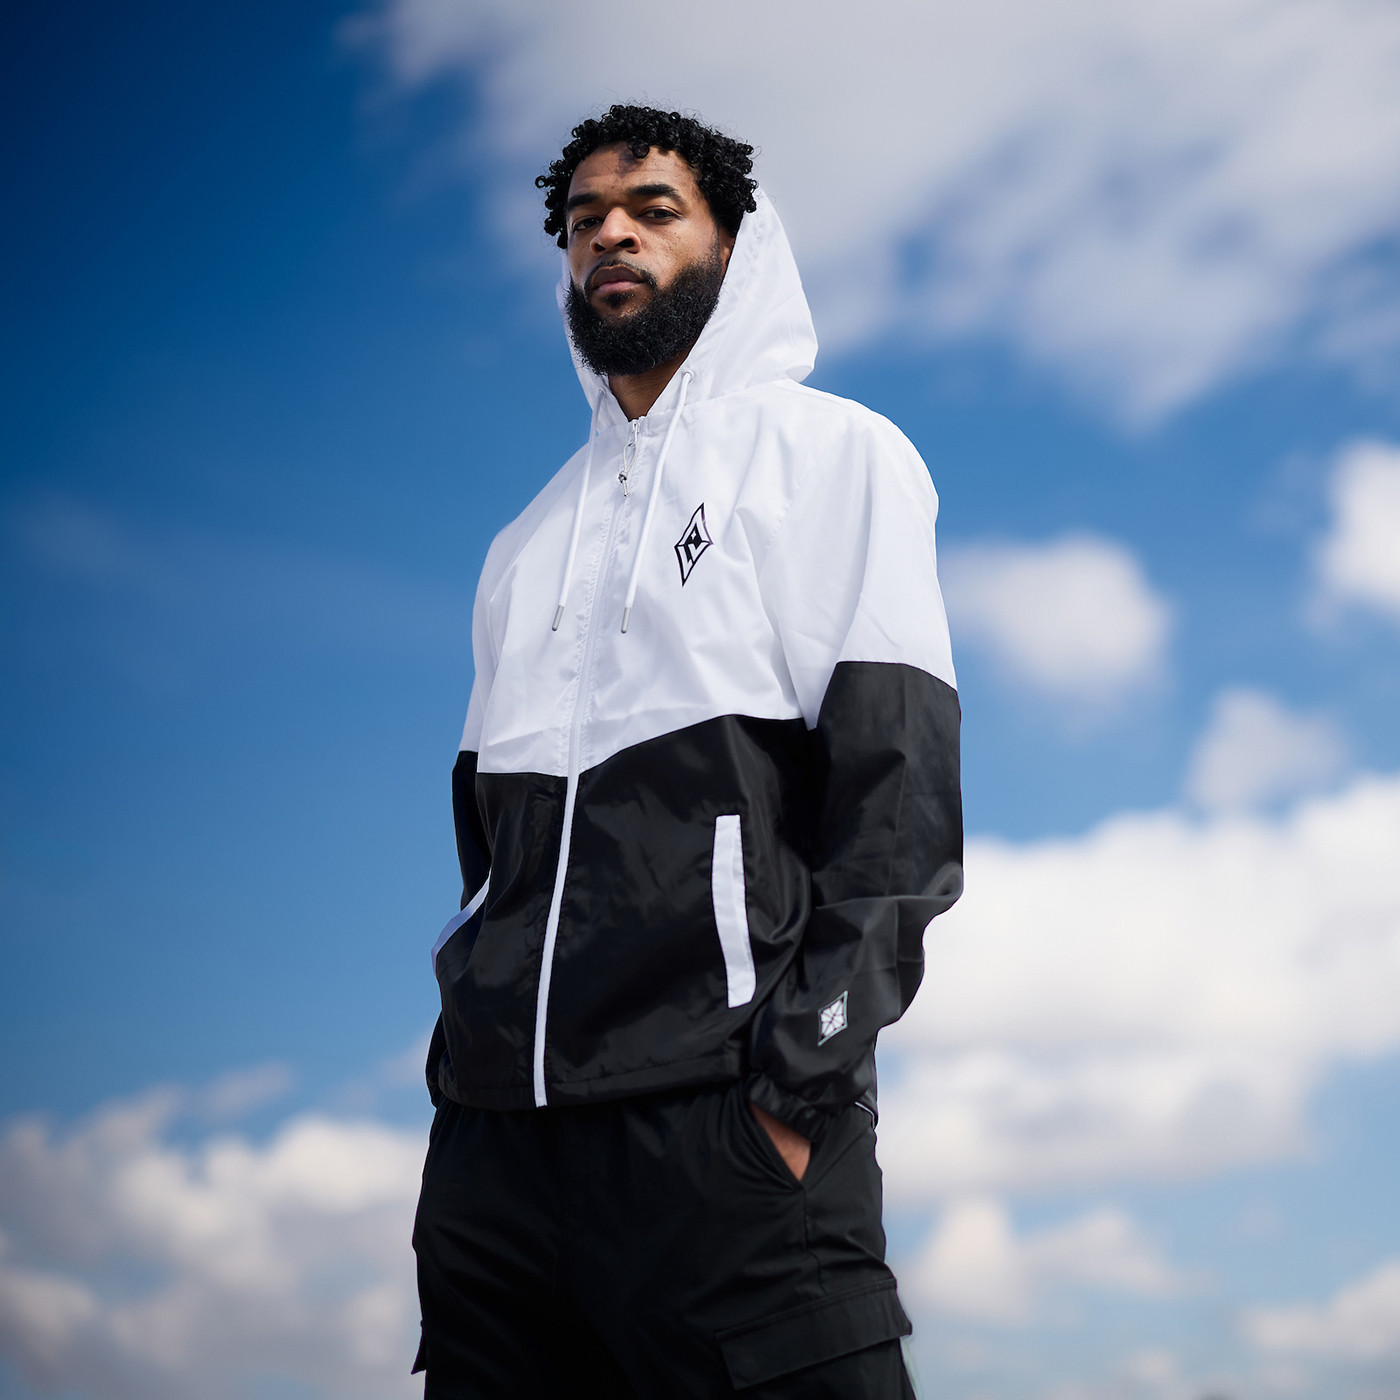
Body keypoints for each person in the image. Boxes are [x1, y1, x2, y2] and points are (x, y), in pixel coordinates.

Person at [413, 105, 962, 1399]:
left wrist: (796, 1085)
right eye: (582, 221)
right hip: (498, 1170)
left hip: (729, 1133)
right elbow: (488, 861)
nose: (609, 235)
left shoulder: (832, 457)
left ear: (734, 243)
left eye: (652, 210)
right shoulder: (519, 548)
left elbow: (897, 809)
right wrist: (464, 1100)